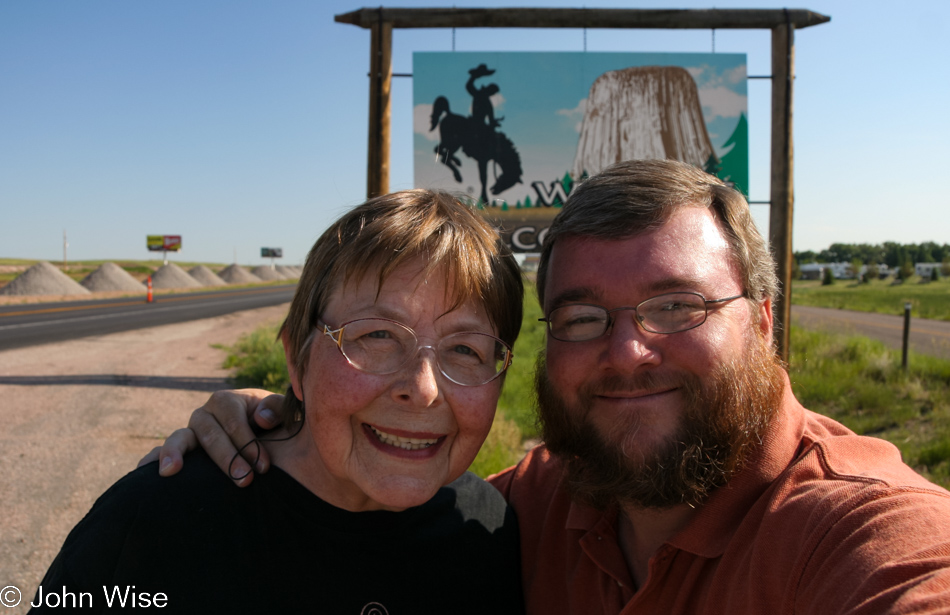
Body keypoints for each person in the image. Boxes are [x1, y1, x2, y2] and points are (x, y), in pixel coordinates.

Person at [152, 160, 950, 614]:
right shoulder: (528, 509)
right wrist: (276, 425)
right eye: (581, 316)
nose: (628, 351)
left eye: (676, 305)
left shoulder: (862, 534)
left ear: (765, 322)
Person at [31, 190, 525, 614]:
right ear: (296, 359)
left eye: (466, 349)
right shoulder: (157, 522)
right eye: (376, 335)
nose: (423, 389)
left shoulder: (488, 531)